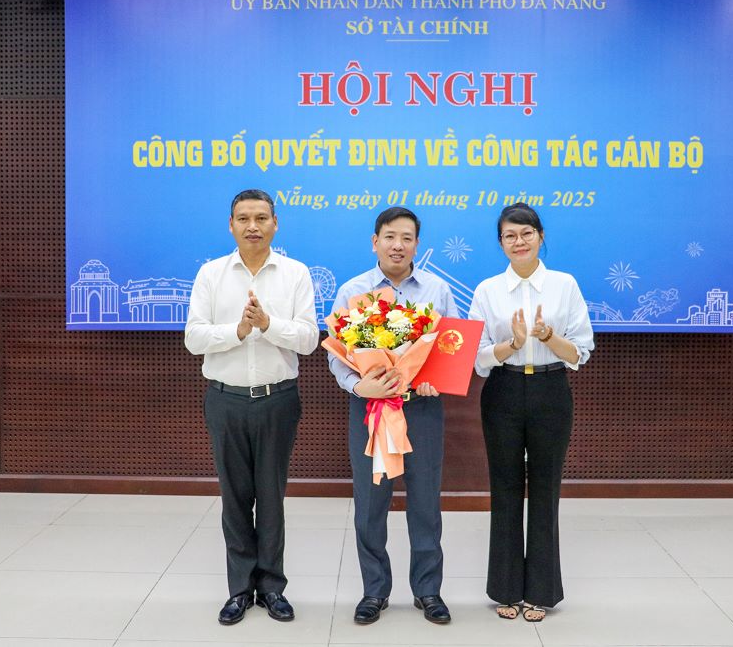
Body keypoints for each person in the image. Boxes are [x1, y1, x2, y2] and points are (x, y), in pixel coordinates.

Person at [185, 189, 319, 625]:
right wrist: (239, 331)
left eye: (261, 217)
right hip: (225, 399)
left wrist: (268, 325)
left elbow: (308, 339)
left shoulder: (295, 273)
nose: (253, 226)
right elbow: (194, 338)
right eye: (243, 218)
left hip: (277, 399)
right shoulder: (211, 274)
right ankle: (240, 590)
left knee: (273, 497)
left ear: (275, 223)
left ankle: (273, 588)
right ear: (231, 225)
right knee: (235, 498)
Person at [329, 207, 459, 625]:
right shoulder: (355, 290)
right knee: (370, 503)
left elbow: (451, 347)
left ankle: (428, 591)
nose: (397, 245)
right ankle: (374, 592)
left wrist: (434, 378)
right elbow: (338, 355)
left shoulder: (436, 290)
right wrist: (358, 385)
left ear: (417, 244)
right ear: (375, 241)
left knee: (425, 502)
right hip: (370, 407)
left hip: (421, 408)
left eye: (406, 237)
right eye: (389, 236)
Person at [468, 203, 594, 622]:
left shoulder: (564, 285)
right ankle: (505, 587)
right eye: (509, 236)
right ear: (500, 242)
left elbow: (580, 352)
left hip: (551, 388)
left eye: (526, 234)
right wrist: (512, 343)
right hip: (502, 390)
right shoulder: (487, 290)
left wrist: (546, 335)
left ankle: (541, 590)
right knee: (504, 487)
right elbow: (477, 358)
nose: (518, 242)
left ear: (541, 236)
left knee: (545, 487)